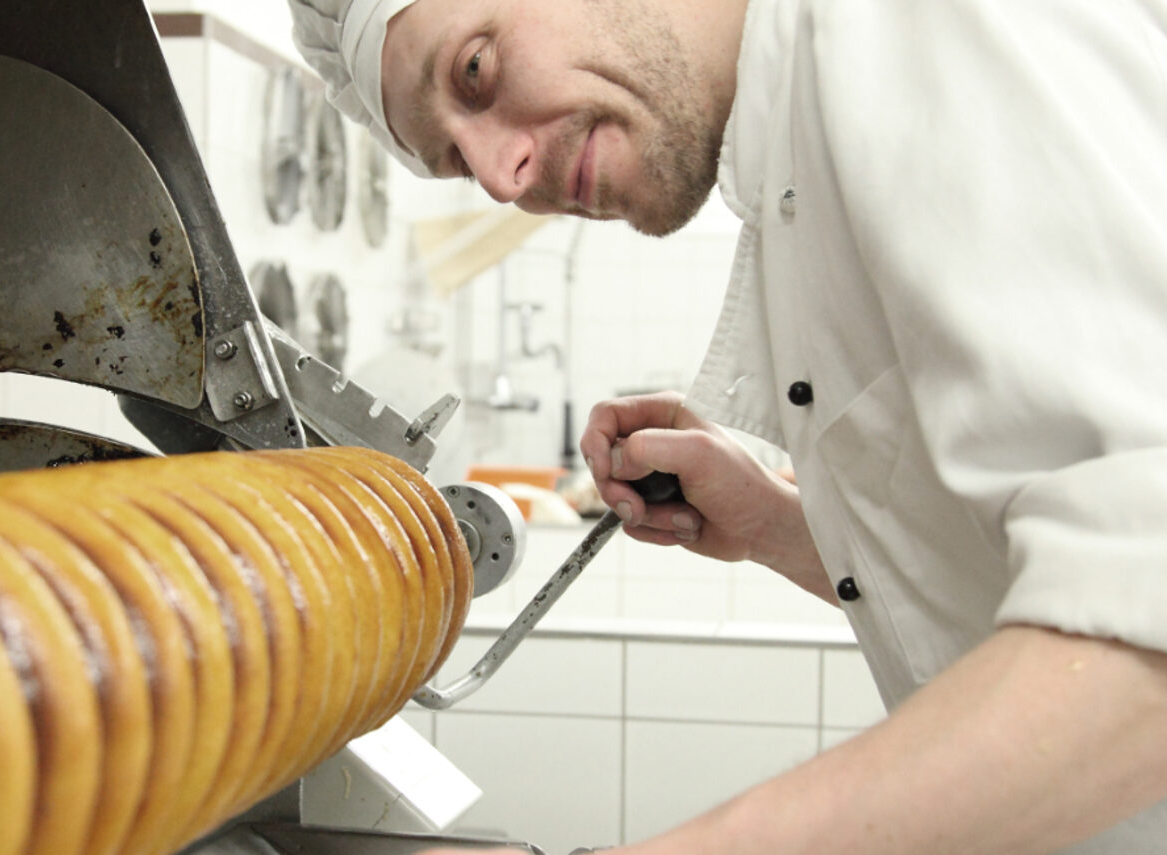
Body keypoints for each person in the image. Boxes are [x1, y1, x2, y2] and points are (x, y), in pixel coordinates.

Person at [289, 0, 1167, 851]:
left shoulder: (924, 28)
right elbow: (1048, 571)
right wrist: (781, 528)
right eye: (454, 158)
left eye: (475, 69)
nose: (497, 177)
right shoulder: (799, 147)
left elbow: (1143, 627)